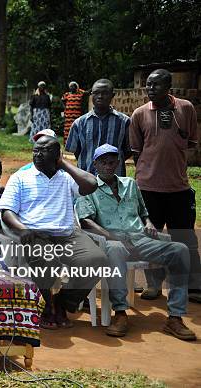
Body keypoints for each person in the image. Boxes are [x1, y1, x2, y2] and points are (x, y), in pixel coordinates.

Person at [76, 144, 195, 340]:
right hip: (111, 241)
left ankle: (175, 317)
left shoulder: (130, 184)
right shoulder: (88, 188)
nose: (108, 165)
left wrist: (148, 224)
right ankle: (120, 313)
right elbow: (86, 221)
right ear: (95, 164)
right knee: (115, 250)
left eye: (112, 161)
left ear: (118, 163)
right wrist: (113, 237)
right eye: (103, 162)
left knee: (180, 250)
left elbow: (143, 213)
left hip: (139, 239)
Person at [0, 134, 108, 329]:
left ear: (58, 155)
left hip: (67, 234)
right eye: (35, 150)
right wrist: (24, 230)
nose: (38, 154)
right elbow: (7, 211)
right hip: (35, 234)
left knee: (96, 259)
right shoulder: (20, 177)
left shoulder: (67, 177)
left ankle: (63, 302)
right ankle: (47, 304)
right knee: (48, 259)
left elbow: (91, 184)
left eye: (45, 150)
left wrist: (64, 165)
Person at [130, 69, 201, 303]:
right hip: (148, 189)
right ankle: (153, 285)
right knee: (151, 239)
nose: (150, 89)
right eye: (148, 85)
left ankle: (193, 287)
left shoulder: (186, 108)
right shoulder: (139, 114)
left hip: (178, 188)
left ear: (168, 86)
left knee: (185, 238)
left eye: (156, 85)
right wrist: (148, 173)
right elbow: (136, 151)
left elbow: (190, 141)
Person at [65, 79, 131, 176]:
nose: (100, 96)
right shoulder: (79, 123)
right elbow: (77, 151)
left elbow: (128, 150)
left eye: (105, 93)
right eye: (96, 93)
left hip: (115, 180)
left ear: (112, 95)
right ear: (91, 94)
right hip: (86, 179)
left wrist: (111, 163)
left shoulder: (124, 122)